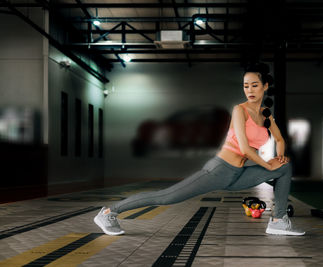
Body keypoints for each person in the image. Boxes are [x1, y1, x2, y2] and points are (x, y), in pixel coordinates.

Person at [94, 62, 305, 236]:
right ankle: (109, 212)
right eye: (246, 85)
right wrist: (267, 164)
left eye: (255, 85)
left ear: (265, 86)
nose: (249, 90)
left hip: (238, 174)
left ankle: (278, 220)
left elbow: (279, 139)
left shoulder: (266, 113)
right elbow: (244, 148)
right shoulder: (239, 110)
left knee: (285, 168)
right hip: (219, 170)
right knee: (166, 197)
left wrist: (280, 157)